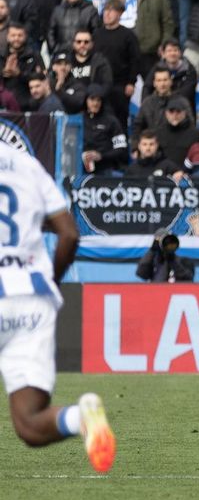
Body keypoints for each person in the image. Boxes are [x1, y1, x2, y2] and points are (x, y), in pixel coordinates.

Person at [0, 141, 115, 473]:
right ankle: (81, 417)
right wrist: (49, 280)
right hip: (32, 303)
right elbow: (69, 235)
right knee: (30, 424)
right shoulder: (28, 165)